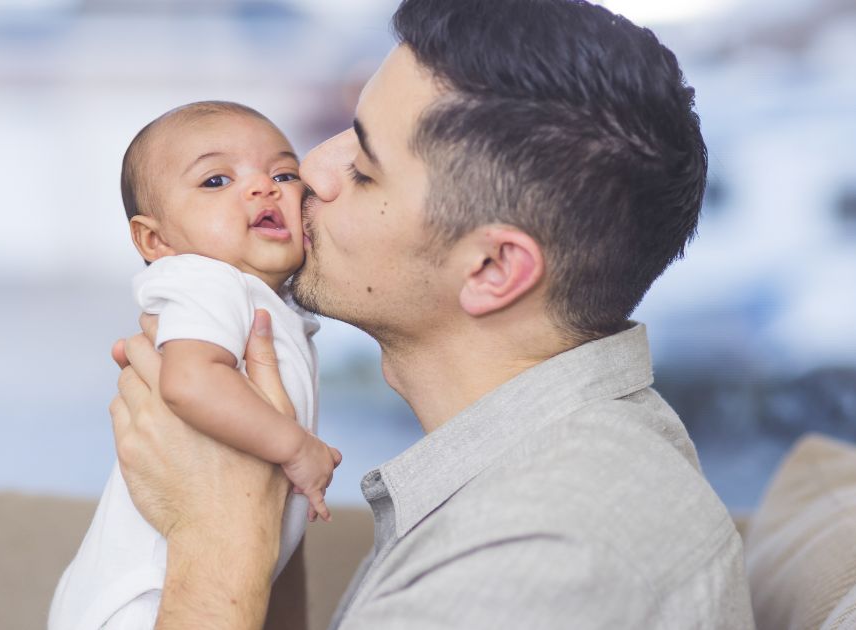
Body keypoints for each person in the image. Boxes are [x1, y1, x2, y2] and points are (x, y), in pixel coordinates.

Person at [108, 0, 756, 627]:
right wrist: (262, 510)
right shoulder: (553, 472)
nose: (310, 171)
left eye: (362, 168)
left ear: (492, 269)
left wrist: (218, 545)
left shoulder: (532, 563)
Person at [49, 101, 341, 630]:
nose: (262, 188)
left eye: (283, 173)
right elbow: (189, 382)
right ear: (156, 241)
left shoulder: (259, 299)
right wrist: (296, 448)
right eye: (215, 181)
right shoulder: (204, 280)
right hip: (147, 595)